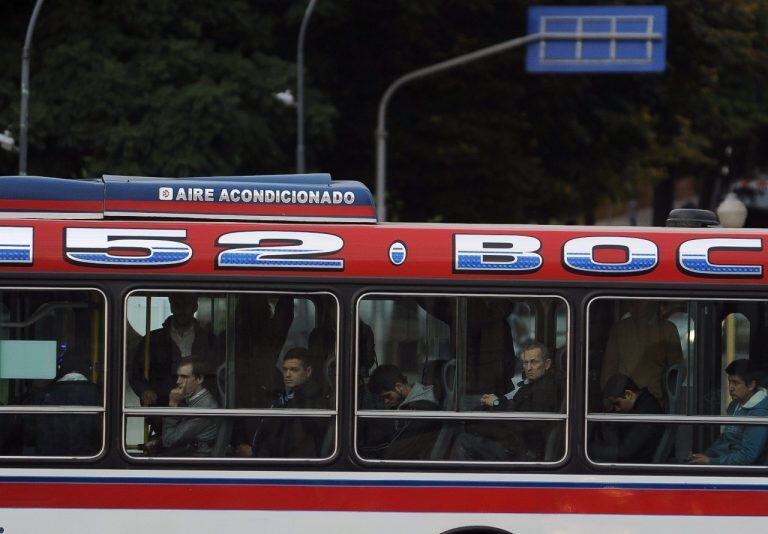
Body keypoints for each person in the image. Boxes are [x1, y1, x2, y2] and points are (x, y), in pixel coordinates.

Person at [450, 341, 560, 461]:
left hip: (523, 449)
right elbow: (514, 406)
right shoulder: (532, 385)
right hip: (516, 441)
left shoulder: (545, 389)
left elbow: (525, 422)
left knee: (464, 442)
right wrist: (494, 402)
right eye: (525, 363)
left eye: (534, 362)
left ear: (547, 364)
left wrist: (497, 403)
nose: (528, 368)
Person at [129, 293, 219, 409]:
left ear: (195, 307)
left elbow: (218, 371)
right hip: (162, 406)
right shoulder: (152, 340)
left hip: (202, 407)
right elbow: (136, 373)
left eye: (186, 304)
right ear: (171, 306)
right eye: (177, 304)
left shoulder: (210, 340)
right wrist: (145, 391)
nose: (182, 310)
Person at [238, 347, 329, 458]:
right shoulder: (289, 397)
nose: (287, 375)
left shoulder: (307, 402)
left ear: (308, 371)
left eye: (294, 370)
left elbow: (290, 443)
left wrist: (255, 452)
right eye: (285, 369)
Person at [601, 301, 683, 403]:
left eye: (641, 300)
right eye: (633, 300)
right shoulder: (619, 330)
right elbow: (609, 369)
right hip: (623, 402)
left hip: (655, 400)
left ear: (653, 303)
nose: (635, 304)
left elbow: (677, 370)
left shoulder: (667, 329)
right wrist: (609, 399)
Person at [689, 359, 768, 465]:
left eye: (735, 383)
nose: (730, 388)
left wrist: (712, 461)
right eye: (730, 382)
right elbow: (725, 438)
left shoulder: (759, 414)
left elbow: (748, 455)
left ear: (751, 385)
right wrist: (707, 456)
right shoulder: (735, 404)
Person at [144, 358, 220, 457]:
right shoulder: (192, 399)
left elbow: (168, 440)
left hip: (195, 458)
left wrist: (173, 405)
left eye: (184, 377)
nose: (178, 381)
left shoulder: (204, 408)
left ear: (199, 379)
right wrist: (158, 441)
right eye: (178, 376)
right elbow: (181, 432)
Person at [364, 364, 441, 460]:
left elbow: (398, 449)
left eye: (387, 396)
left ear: (399, 386)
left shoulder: (421, 408)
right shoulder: (408, 403)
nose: (386, 401)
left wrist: (365, 452)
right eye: (382, 398)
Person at [589, 373, 663, 463]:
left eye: (617, 404)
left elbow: (624, 453)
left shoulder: (648, 411)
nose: (616, 409)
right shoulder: (641, 406)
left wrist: (589, 449)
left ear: (629, 394)